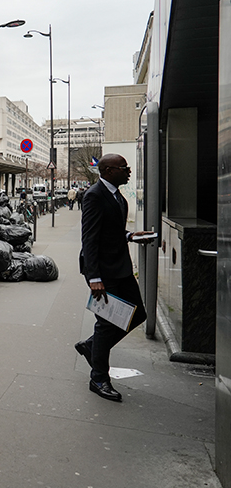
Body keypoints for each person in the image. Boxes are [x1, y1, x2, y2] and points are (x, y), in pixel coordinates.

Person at [75, 154, 154, 402]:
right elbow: (89, 238)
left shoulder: (116, 194)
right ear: (109, 170)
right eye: (124, 168)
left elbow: (111, 230)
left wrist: (130, 236)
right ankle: (98, 378)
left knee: (138, 313)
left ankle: (91, 346)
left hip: (120, 268)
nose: (128, 172)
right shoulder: (94, 195)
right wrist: (94, 276)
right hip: (104, 271)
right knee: (106, 324)